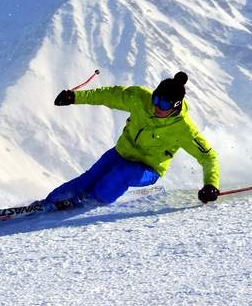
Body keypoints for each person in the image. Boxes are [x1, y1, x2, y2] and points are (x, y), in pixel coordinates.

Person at [45, 71, 220, 209]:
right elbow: (109, 95)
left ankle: (90, 201)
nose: (157, 106)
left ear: (176, 106)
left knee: (121, 173)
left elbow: (208, 157)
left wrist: (211, 184)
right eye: (156, 99)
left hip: (148, 168)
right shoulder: (140, 98)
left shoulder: (184, 129)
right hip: (121, 153)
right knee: (87, 179)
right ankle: (46, 204)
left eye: (164, 104)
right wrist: (74, 97)